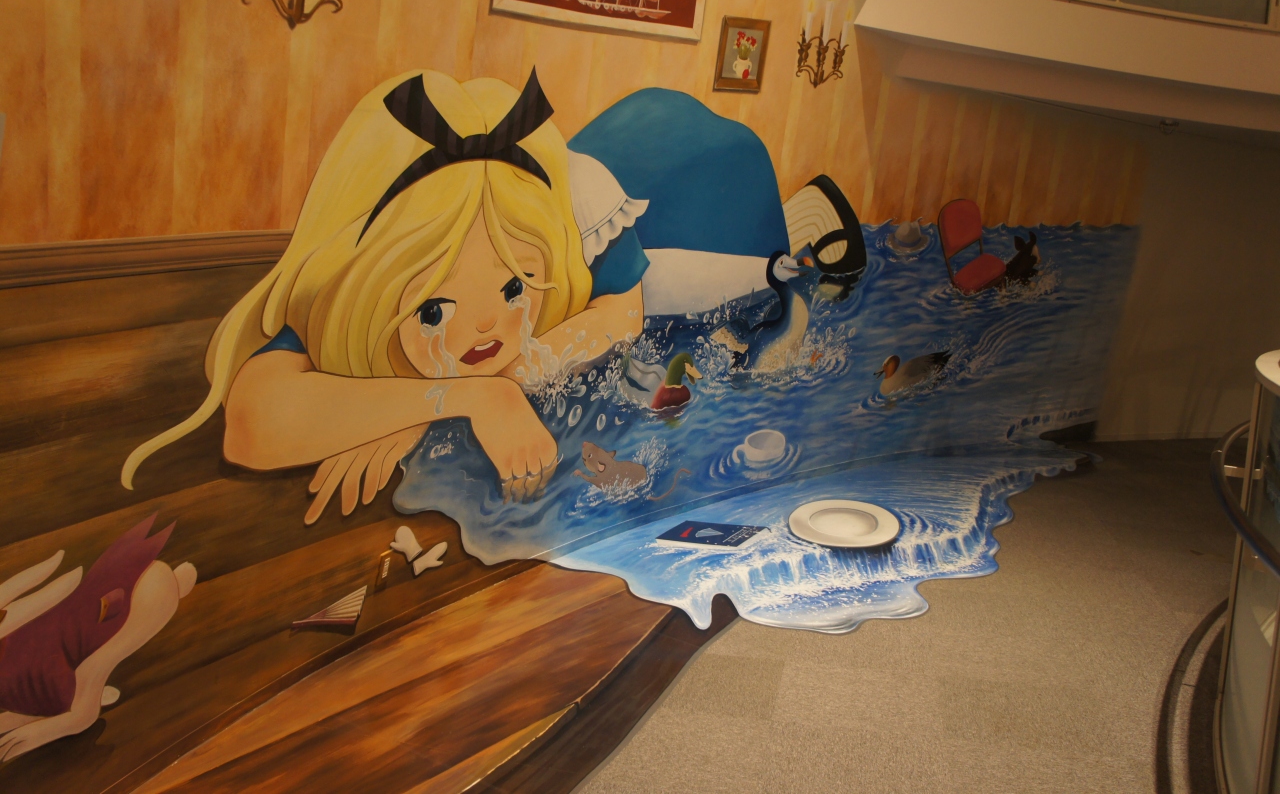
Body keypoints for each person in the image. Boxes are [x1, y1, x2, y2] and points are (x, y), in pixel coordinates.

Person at [121, 69, 813, 523]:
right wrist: (458, 397)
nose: (486, 328)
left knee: (772, 276)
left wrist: (498, 378)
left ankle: (806, 237)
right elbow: (253, 422)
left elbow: (622, 311)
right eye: (434, 310)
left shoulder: (578, 207)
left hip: (697, 198)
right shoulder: (374, 256)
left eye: (514, 287)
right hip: (607, 166)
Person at [0, 516, 196, 761]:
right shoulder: (22, 652)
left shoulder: (47, 658)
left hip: (144, 594)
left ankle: (90, 692)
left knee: (95, 665)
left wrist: (41, 732)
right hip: (112, 590)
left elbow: (81, 715)